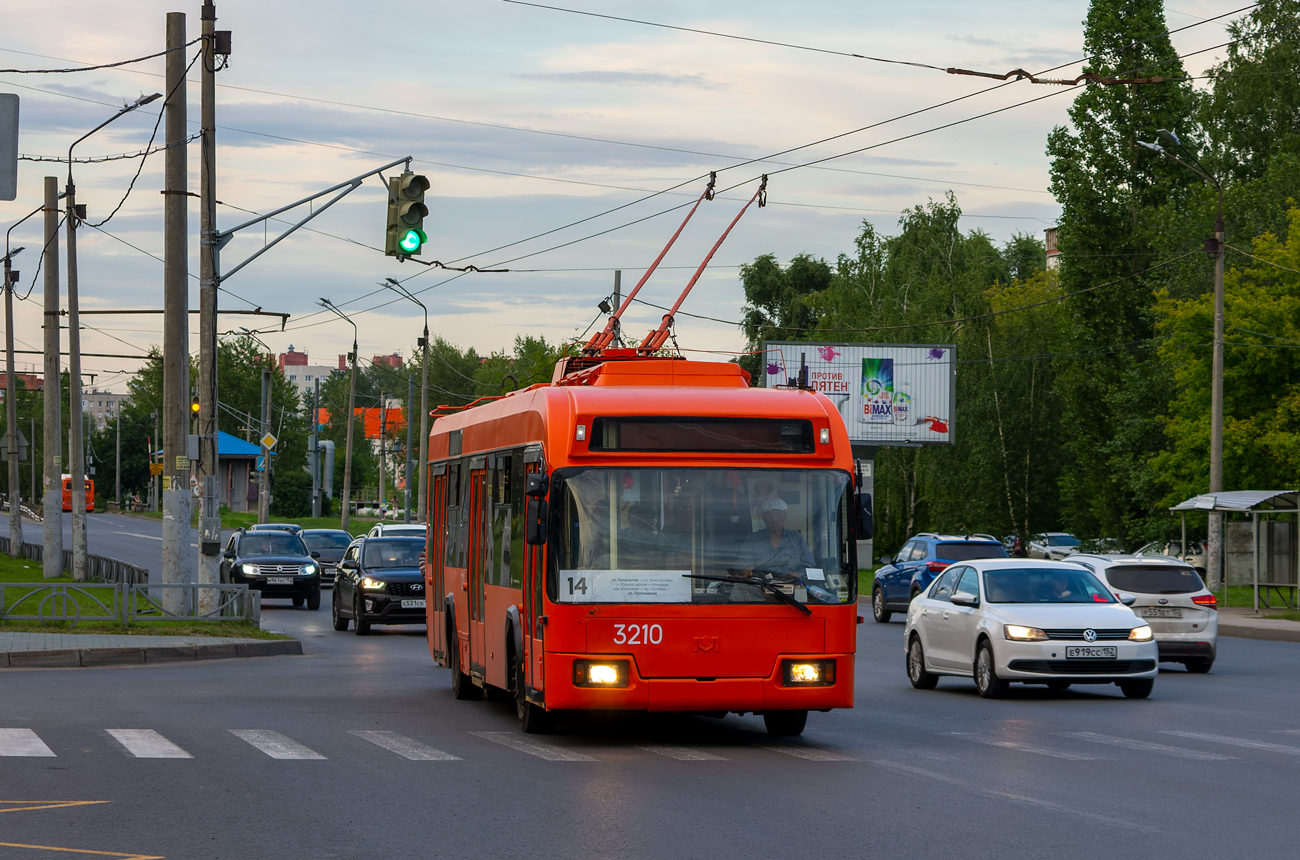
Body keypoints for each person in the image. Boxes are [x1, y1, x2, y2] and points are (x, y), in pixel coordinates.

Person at [735, 498, 815, 578]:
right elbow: (742, 565)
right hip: (761, 586)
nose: (774, 519)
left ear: (785, 515)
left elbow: (809, 567)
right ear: (763, 517)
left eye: (778, 514)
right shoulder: (753, 540)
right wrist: (747, 570)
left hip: (792, 585)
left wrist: (799, 574)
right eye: (769, 515)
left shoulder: (796, 538)